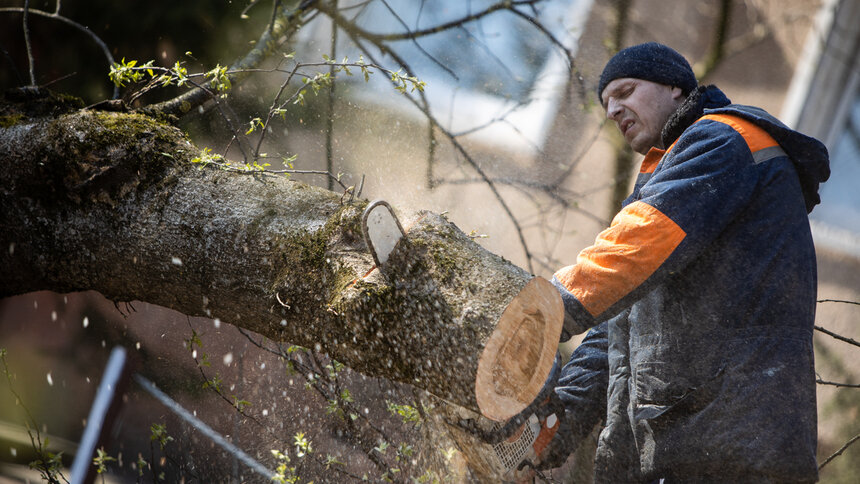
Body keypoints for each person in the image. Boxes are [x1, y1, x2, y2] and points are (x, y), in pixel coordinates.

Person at [542, 42, 830, 482]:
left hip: (733, 444)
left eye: (625, 91)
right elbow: (616, 329)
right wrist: (554, 425)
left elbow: (640, 240)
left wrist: (544, 311)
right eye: (606, 103)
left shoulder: (723, 142)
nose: (612, 110)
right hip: (679, 447)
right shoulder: (668, 183)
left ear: (675, 87)